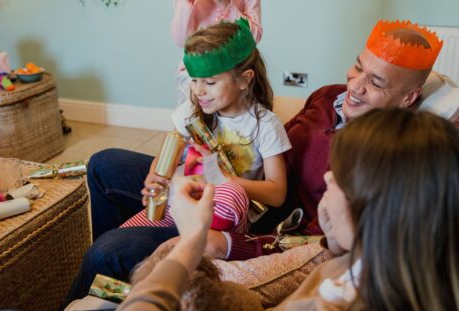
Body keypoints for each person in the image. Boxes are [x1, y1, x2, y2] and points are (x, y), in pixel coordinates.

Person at [65, 19, 444, 304]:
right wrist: (178, 171)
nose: (356, 86)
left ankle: (91, 282)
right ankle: (107, 282)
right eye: (359, 67)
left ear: (409, 98)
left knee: (109, 250)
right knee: (104, 162)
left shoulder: (387, 153)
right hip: (232, 181)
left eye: (377, 83)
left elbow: (324, 239)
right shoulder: (328, 96)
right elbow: (265, 142)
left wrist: (233, 243)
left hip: (256, 220)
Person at [118, 108, 459, 310]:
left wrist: (191, 241)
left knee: (115, 251)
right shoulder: (356, 266)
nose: (326, 176)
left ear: (377, 212)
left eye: (338, 177)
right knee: (108, 164)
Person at [121, 18, 290, 234]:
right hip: (181, 204)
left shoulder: (265, 125)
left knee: (230, 192)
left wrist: (226, 179)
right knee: (119, 240)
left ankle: (192, 242)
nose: (199, 91)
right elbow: (165, 158)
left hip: (225, 213)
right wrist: (156, 177)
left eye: (210, 82)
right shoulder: (191, 111)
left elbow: (277, 193)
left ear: (244, 80)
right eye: (194, 80)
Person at [172, 0, 262, 106]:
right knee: (189, 116)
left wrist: (225, 4)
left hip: (233, 72)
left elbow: (253, 38)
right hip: (194, 73)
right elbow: (181, 41)